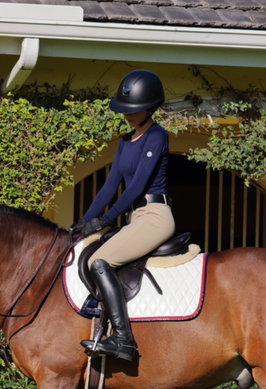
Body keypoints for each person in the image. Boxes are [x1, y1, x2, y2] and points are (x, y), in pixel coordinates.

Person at [71, 70, 174, 361]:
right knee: (86, 253)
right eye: (125, 109)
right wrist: (83, 223)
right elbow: (109, 187)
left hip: (155, 216)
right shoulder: (125, 141)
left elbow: (137, 187)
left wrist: (106, 220)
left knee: (99, 261)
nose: (127, 115)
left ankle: (123, 340)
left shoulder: (157, 136)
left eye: (134, 109)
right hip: (136, 217)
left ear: (150, 106)